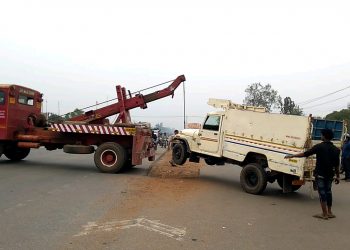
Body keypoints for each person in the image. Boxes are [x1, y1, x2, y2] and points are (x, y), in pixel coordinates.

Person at [284, 128, 340, 220]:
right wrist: (337, 176)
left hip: (321, 174)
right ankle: (330, 212)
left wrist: (292, 155)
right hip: (330, 175)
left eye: (322, 135)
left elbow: (306, 154)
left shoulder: (319, 147)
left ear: (324, 136)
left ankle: (324, 214)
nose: (321, 136)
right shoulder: (336, 150)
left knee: (322, 193)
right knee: (328, 192)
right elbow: (337, 165)